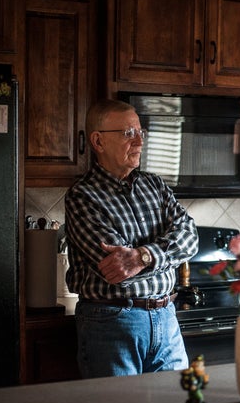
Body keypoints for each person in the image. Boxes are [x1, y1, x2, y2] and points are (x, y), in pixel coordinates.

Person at [65, 98, 198, 378]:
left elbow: (190, 237)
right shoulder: (82, 196)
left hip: (166, 317)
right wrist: (161, 256)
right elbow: (117, 268)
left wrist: (142, 256)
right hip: (112, 323)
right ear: (98, 142)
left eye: (141, 132)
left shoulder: (155, 185)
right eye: (128, 133)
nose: (139, 141)